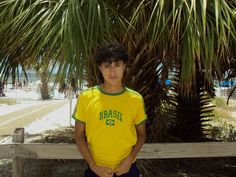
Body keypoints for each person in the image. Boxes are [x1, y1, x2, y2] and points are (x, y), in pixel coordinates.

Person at [73, 43, 147, 177]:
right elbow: (78, 135)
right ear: (100, 68)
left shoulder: (136, 99)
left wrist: (129, 160)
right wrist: (93, 166)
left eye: (117, 65)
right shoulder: (86, 97)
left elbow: (142, 135)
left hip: (127, 169)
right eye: (107, 66)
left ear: (124, 66)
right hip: (96, 169)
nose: (112, 72)